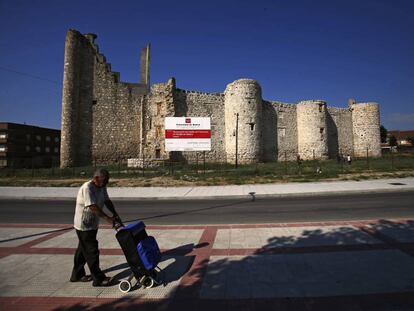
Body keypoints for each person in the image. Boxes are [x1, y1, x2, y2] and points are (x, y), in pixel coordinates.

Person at [70, 168, 120, 287]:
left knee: (82, 250)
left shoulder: (101, 186)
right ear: (96, 178)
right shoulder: (88, 188)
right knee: (92, 251)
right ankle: (98, 279)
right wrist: (109, 219)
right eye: (104, 180)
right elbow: (92, 206)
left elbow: (107, 201)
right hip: (84, 225)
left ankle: (77, 274)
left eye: (107, 181)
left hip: (92, 223)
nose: (106, 183)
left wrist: (115, 214)